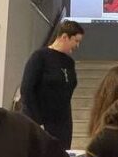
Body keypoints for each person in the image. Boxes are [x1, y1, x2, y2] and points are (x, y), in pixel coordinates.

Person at [21, 20, 84, 149]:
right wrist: (37, 121)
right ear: (65, 37)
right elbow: (27, 89)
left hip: (62, 122)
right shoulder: (39, 57)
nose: (77, 45)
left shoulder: (69, 62)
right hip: (41, 120)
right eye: (76, 41)